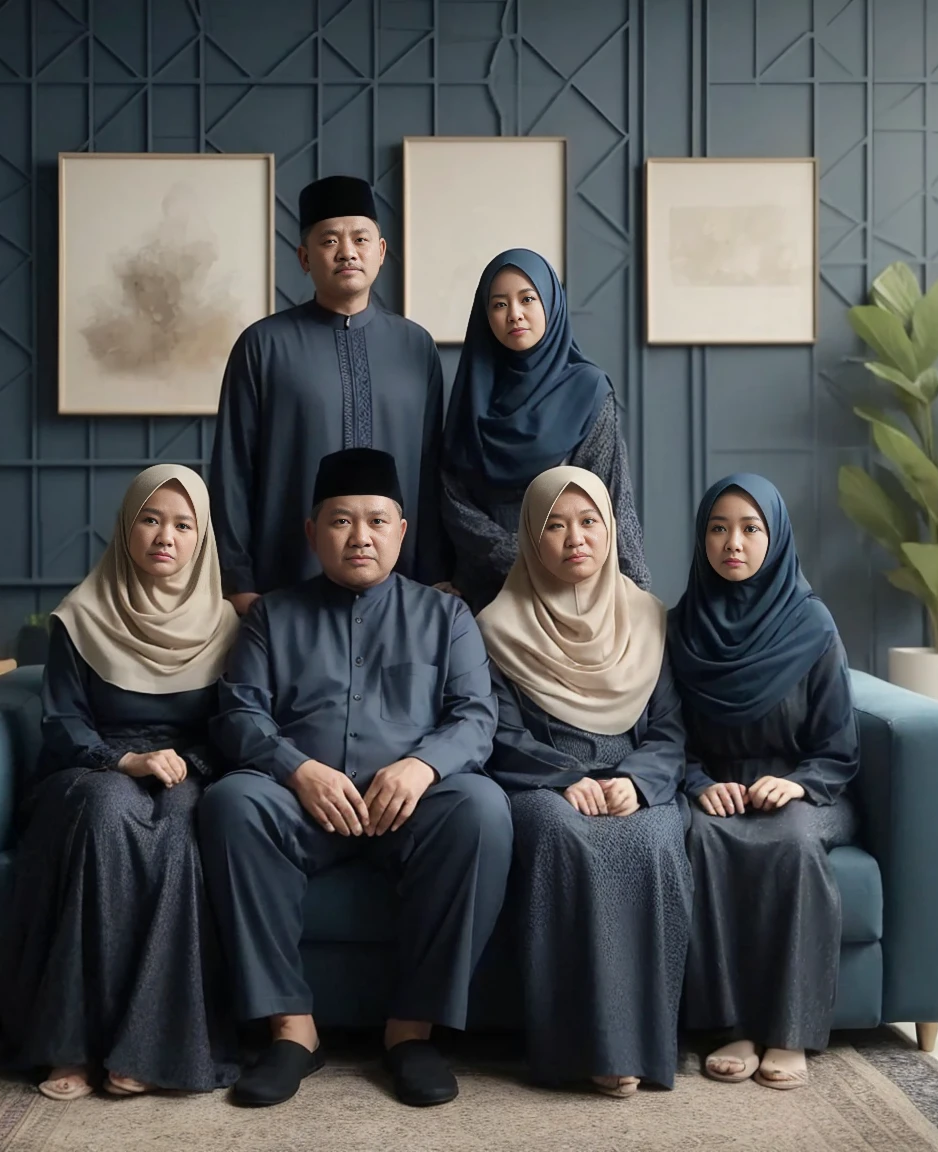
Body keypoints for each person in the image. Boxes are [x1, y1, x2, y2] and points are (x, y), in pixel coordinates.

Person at [198, 448, 512, 1109]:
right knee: (232, 802)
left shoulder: (446, 617)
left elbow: (476, 719)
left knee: (481, 807)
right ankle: (291, 1030)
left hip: (412, 810)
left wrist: (421, 766)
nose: (360, 537)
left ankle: (412, 1033)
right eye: (341, 521)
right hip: (301, 806)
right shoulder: (272, 617)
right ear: (312, 533)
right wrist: (298, 769)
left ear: (402, 529)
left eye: (376, 521)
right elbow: (240, 714)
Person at [0, 465, 241, 1099]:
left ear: (202, 538)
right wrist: (122, 761)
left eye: (183, 525)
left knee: (185, 821)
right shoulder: (80, 616)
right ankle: (70, 1046)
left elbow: (233, 724)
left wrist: (186, 762)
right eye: (150, 520)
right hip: (90, 768)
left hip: (188, 768)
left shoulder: (227, 627)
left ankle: (148, 1047)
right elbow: (61, 722)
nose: (166, 536)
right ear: (125, 530)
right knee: (107, 813)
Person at [477, 466, 692, 1098]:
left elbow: (671, 727)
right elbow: (500, 733)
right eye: (556, 525)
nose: (576, 538)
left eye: (590, 521)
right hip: (543, 783)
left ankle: (644, 1046)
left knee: (654, 841)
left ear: (610, 531)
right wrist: (566, 778)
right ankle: (582, 1050)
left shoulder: (649, 618)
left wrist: (640, 781)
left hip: (634, 780)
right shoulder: (497, 626)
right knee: (560, 839)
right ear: (530, 538)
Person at [669, 474, 860, 1092]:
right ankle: (734, 1026)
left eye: (751, 529)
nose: (734, 543)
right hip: (716, 790)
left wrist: (798, 784)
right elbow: (667, 732)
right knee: (703, 840)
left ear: (774, 538)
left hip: (808, 790)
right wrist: (699, 782)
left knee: (793, 842)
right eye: (718, 529)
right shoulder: (682, 627)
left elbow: (838, 745)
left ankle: (790, 1030)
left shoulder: (812, 625)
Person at [208, 175, 450, 613]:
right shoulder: (263, 345)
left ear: (381, 251)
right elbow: (232, 471)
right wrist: (237, 580)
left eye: (360, 238)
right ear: (304, 257)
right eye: (330, 240)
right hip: (283, 589)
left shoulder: (416, 346)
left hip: (406, 592)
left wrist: (436, 573)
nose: (347, 252)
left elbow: (434, 469)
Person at [441, 248, 649, 613]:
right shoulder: (472, 392)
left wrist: (639, 596)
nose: (514, 314)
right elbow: (452, 496)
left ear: (551, 303)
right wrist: (513, 556)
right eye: (499, 304)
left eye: (527, 299)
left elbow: (611, 499)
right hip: (484, 591)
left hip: (568, 589)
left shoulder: (587, 391)